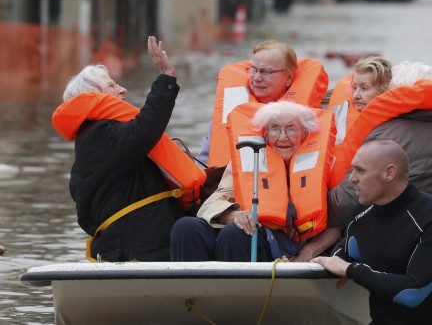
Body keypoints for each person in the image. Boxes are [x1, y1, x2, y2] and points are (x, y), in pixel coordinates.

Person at [299, 60, 432, 262]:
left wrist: (308, 210)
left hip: (407, 241)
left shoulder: (387, 134)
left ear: (398, 94)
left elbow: (346, 202)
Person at [52, 36, 205, 262]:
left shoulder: (92, 141)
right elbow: (145, 128)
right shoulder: (101, 135)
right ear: (95, 97)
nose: (123, 90)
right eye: (112, 85)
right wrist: (166, 79)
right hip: (141, 250)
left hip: (129, 246)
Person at [312, 140, 432, 325]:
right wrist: (340, 264)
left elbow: (412, 293)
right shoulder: (360, 215)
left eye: (360, 170)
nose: (351, 179)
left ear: (389, 173)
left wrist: (351, 270)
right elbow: (343, 254)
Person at [170, 101, 335, 262]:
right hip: (245, 231)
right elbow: (215, 201)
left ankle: (240, 290)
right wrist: (232, 215)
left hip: (286, 242)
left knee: (235, 234)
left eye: (291, 129)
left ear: (305, 133)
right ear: (265, 134)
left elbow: (340, 218)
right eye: (275, 129)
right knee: (186, 227)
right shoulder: (250, 160)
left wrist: (309, 252)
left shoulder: (325, 164)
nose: (283, 137)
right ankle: (193, 289)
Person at [198, 40, 328, 168]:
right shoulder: (231, 110)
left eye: (266, 72)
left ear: (288, 78)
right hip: (227, 183)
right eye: (254, 70)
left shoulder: (309, 117)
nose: (257, 78)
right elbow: (205, 158)